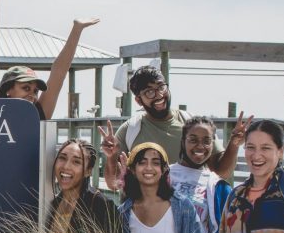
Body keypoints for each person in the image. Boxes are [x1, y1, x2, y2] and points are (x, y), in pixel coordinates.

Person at [0, 0, 100, 119]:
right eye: (26, 88)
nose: (32, 95)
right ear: (8, 90)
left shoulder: (37, 114)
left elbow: (59, 74)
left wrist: (76, 30)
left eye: (35, 91)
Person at [99, 67, 246, 190]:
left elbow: (221, 171)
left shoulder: (191, 124)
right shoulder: (129, 130)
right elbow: (113, 185)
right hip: (146, 216)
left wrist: (234, 144)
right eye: (149, 92)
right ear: (138, 100)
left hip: (192, 213)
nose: (159, 95)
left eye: (161, 87)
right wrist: (111, 158)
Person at [169, 115, 249, 233]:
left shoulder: (217, 186)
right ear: (183, 142)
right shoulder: (163, 175)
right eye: (193, 140)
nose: (200, 146)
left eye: (206, 141)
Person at [45, 138, 117, 233]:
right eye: (62, 158)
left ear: (88, 171)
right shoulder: (53, 204)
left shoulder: (101, 205)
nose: (66, 166)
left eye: (76, 162)